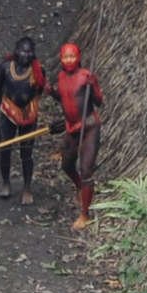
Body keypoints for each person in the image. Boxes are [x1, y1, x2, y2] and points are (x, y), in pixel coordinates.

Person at [49, 42, 103, 230]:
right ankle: (81, 187)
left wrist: (93, 86)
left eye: (72, 56)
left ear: (78, 58)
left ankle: (85, 214)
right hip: (72, 127)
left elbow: (99, 101)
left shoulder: (85, 76)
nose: (69, 60)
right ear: (61, 59)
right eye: (65, 57)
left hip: (89, 126)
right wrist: (51, 92)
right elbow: (64, 98)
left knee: (86, 169)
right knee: (66, 165)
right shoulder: (61, 77)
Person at [0, 36, 46, 205]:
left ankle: (27, 188)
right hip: (8, 112)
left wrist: (29, 107)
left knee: (27, 152)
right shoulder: (5, 67)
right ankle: (6, 183)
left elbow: (40, 89)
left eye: (29, 51)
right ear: (16, 51)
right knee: (5, 149)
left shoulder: (38, 70)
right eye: (23, 50)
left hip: (28, 114)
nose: (26, 54)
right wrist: (5, 105)